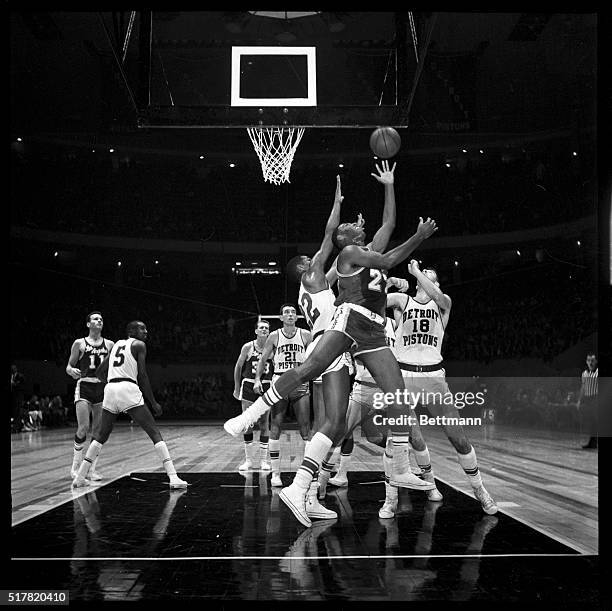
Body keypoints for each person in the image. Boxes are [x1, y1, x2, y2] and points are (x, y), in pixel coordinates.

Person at [225, 160, 438, 526]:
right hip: (342, 325)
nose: (356, 223)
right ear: (345, 239)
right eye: (349, 227)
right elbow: (363, 248)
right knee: (316, 387)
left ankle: (306, 489)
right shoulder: (342, 258)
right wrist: (418, 236)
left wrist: (389, 184)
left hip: (369, 331)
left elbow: (387, 226)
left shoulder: (357, 254)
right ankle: (250, 414)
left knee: (351, 415)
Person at [386, 259, 497, 514]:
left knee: (458, 438)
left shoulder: (442, 301)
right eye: (422, 273)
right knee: (406, 439)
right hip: (403, 375)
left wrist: (415, 272)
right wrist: (389, 283)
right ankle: (403, 492)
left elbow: (436, 293)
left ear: (435, 283)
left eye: (430, 274)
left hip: (434, 377)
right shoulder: (402, 301)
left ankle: (479, 488)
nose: (424, 274)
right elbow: (372, 302)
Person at [72, 320, 187, 489]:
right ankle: (173, 477)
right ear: (132, 331)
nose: (146, 331)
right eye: (142, 329)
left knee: (100, 436)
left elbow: (99, 372)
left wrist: (111, 382)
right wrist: (153, 403)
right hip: (128, 388)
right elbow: (143, 376)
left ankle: (80, 476)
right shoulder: (139, 345)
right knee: (154, 432)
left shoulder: (116, 344)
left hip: (110, 389)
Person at [253, 304, 311, 487]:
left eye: (293, 312)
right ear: (281, 318)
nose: (290, 314)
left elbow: (314, 360)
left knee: (305, 429)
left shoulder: (306, 335)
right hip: (280, 381)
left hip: (300, 381)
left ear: (297, 316)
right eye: (286, 312)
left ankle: (308, 474)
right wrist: (257, 379)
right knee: (275, 425)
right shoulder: (274, 336)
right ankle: (275, 474)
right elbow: (263, 360)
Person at [66, 312, 114, 480]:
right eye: (95, 319)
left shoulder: (110, 345)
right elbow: (69, 366)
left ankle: (91, 469)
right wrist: (72, 371)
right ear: (88, 324)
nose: (99, 320)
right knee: (83, 427)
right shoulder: (79, 343)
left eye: (101, 319)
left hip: (102, 387)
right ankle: (76, 467)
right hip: (85, 385)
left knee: (98, 431)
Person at [232, 319, 273, 471]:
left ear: (269, 332)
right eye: (261, 327)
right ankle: (248, 461)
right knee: (248, 424)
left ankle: (263, 461)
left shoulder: (273, 347)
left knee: (264, 424)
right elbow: (238, 367)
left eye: (266, 328)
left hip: (266, 385)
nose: (264, 330)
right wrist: (237, 387)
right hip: (249, 385)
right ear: (256, 331)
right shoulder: (248, 347)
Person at [578, 353, 598, 449]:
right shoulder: (584, 373)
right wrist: (579, 400)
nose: (590, 362)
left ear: (596, 361)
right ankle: (592, 442)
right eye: (589, 360)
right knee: (592, 421)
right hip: (588, 399)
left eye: (592, 360)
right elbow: (583, 387)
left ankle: (593, 442)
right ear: (586, 362)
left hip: (597, 398)